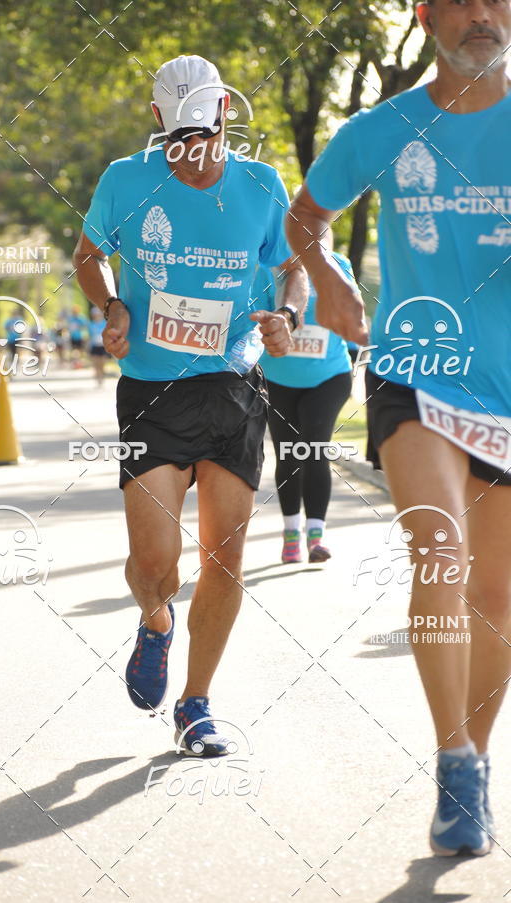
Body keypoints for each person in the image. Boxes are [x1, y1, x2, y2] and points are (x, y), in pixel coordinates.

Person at [287, 0, 511, 857]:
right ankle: (452, 755)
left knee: (495, 598)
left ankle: (475, 760)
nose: (482, 15)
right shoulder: (382, 129)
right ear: (424, 16)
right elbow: (305, 215)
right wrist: (329, 281)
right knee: (441, 553)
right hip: (414, 375)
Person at [73, 55, 307, 756]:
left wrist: (287, 315)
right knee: (155, 560)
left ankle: (196, 703)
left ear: (225, 116)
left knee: (225, 555)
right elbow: (88, 256)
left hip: (233, 383)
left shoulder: (264, 186)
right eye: (177, 139)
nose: (191, 153)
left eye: (202, 135)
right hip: (151, 388)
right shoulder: (125, 181)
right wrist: (111, 304)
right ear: (156, 124)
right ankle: (155, 622)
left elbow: (292, 266)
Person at [252, 259, 354, 563]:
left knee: (314, 449)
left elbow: (349, 307)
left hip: (329, 376)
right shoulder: (265, 269)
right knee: (288, 454)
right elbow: (252, 315)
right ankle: (291, 532)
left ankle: (316, 535)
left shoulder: (338, 264)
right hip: (278, 379)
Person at [88, 307, 108, 386]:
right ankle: (98, 377)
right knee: (96, 363)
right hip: (94, 346)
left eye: (98, 314)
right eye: (95, 315)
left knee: (102, 363)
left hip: (103, 346)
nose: (97, 316)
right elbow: (89, 336)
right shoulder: (91, 324)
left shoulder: (105, 323)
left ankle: (102, 376)